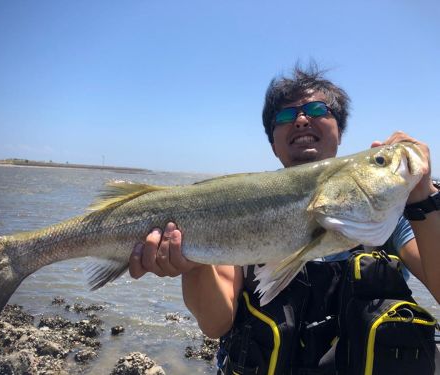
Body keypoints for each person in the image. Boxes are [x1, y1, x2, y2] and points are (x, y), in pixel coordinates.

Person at [128, 65, 440, 374]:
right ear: (273, 143)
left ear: (340, 131)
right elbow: (216, 322)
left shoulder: (399, 215)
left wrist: (425, 200)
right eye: (286, 117)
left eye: (317, 110)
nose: (302, 119)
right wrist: (191, 262)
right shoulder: (238, 202)